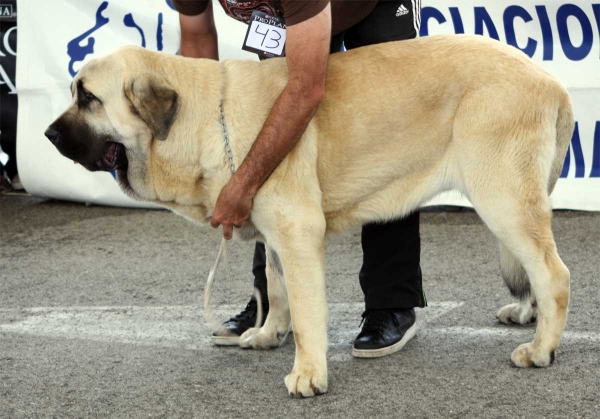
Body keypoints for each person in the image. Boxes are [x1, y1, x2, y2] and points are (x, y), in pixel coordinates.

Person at [172, 0, 426, 358]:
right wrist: (215, 142)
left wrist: (242, 184)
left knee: (388, 130)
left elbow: (306, 88)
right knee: (265, 118)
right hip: (298, 13)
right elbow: (198, 42)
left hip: (372, 5)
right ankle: (272, 301)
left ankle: (391, 301)